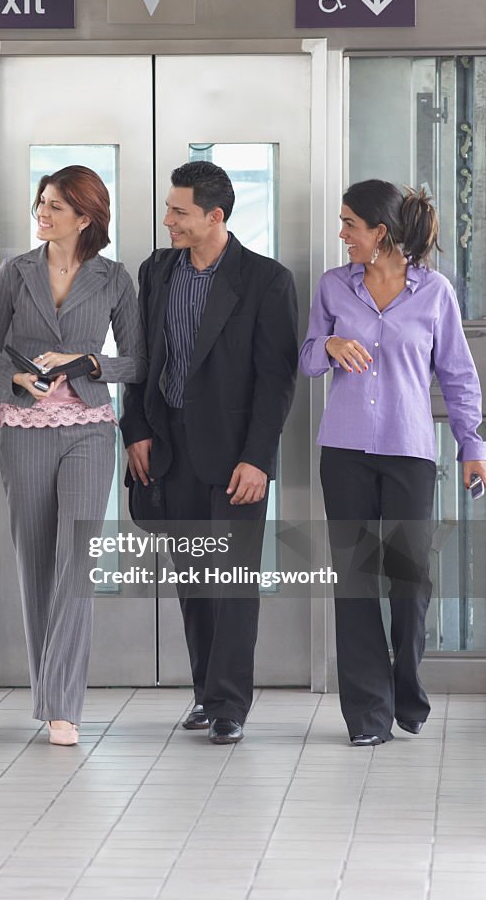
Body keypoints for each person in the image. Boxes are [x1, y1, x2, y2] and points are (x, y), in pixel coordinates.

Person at [300, 179, 486, 746]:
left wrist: (473, 446)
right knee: (356, 579)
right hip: (345, 452)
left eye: (349, 224)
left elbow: (457, 374)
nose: (342, 234)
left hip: (409, 453)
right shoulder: (335, 288)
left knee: (410, 579)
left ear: (380, 232)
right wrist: (328, 346)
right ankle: (368, 714)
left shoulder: (435, 293)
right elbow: (306, 358)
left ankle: (406, 689)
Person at [121, 160, 298, 744]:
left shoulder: (265, 281)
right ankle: (205, 693)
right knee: (194, 580)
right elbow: (143, 360)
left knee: (232, 581)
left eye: (179, 212)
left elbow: (276, 380)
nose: (167, 220)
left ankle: (229, 705)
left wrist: (259, 458)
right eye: (169, 208)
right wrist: (136, 429)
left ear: (214, 216)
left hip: (234, 458)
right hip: (167, 447)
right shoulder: (157, 270)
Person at [0, 164, 146, 746]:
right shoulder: (15, 272)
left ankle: (64, 706)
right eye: (41, 203)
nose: (42, 214)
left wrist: (89, 364)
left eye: (54, 206)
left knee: (75, 564)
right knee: (35, 564)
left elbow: (137, 361)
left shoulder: (112, 278)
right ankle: (47, 694)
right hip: (23, 427)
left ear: (85, 216)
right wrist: (15, 379)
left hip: (89, 429)